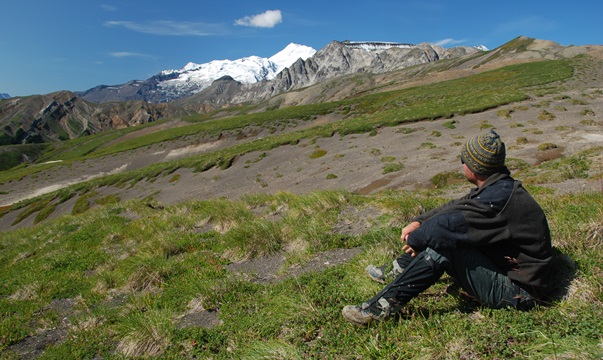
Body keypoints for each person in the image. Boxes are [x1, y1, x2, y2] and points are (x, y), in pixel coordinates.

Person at [342, 129, 554, 325]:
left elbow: (442, 228)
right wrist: (419, 221)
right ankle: (397, 270)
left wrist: (416, 239)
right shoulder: (499, 187)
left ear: (474, 167)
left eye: (464, 160)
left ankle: (380, 308)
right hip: (509, 271)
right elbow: (456, 206)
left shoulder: (495, 202)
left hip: (522, 294)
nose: (462, 164)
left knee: (442, 246)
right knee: (442, 233)